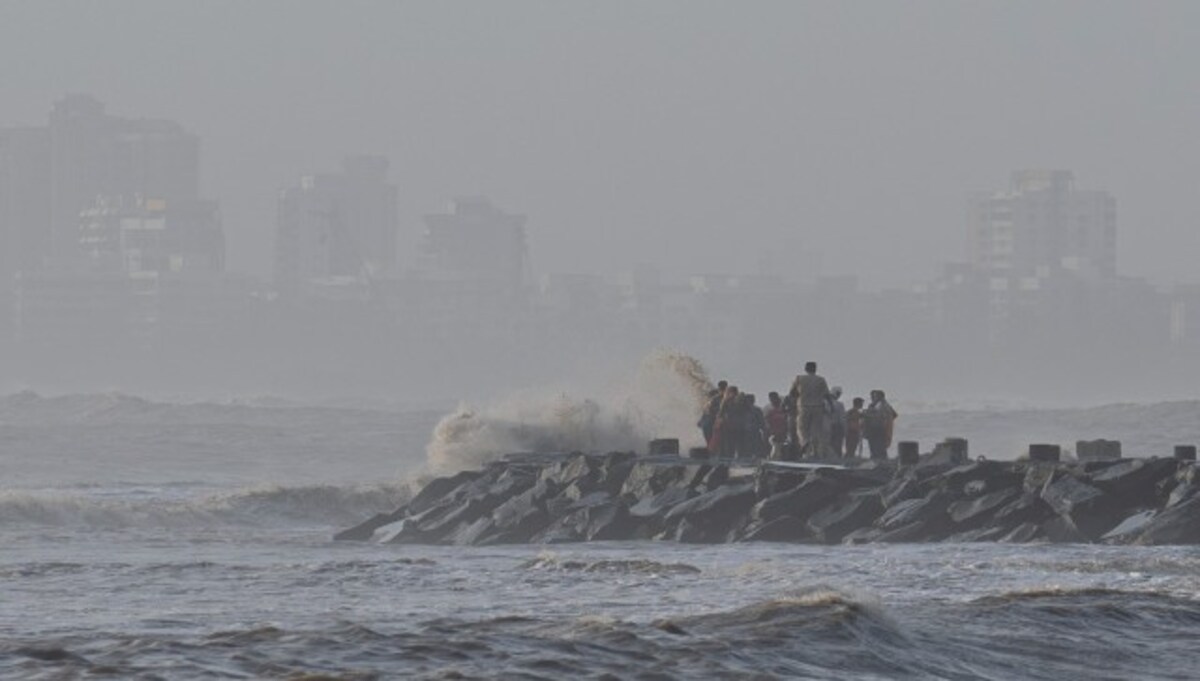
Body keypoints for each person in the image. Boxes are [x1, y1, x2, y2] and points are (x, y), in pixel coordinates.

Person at [791, 362, 831, 458]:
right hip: (818, 407)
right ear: (815, 369)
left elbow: (792, 393)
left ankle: (805, 443)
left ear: (806, 369)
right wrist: (831, 406)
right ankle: (815, 452)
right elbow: (827, 395)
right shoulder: (821, 380)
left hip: (804, 406)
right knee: (816, 430)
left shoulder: (799, 378)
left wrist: (799, 397)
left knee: (802, 428)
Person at [863, 389, 898, 460]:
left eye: (875, 396)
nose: (873, 397)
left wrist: (868, 415)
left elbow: (882, 415)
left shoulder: (883, 405)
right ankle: (877, 458)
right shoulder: (875, 405)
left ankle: (880, 460)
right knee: (875, 446)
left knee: (878, 446)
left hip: (878, 428)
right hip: (874, 428)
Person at [763, 391, 789, 459]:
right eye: (771, 399)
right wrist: (769, 429)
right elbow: (766, 420)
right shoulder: (768, 408)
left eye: (774, 398)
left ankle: (782, 457)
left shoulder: (783, 406)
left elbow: (787, 418)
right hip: (773, 431)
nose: (773, 400)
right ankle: (769, 456)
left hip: (782, 430)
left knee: (781, 445)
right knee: (773, 445)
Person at [827, 386, 847, 458]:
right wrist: (844, 429)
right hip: (836, 427)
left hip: (826, 427)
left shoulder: (824, 403)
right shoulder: (839, 404)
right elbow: (842, 418)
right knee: (837, 445)